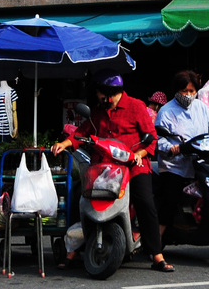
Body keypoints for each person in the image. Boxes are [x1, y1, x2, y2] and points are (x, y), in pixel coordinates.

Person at [52, 73, 173, 273]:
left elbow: (151, 138)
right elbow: (81, 134)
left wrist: (138, 154)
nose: (99, 99)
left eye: (100, 95)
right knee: (80, 197)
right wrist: (63, 144)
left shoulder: (136, 106)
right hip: (105, 167)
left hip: (134, 165)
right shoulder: (98, 112)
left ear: (109, 94)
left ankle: (156, 254)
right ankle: (72, 249)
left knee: (144, 201)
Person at [155, 70, 209, 245]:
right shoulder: (166, 111)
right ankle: (156, 242)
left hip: (200, 161)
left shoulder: (201, 107)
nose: (188, 95)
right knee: (170, 201)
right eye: (184, 91)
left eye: (191, 91)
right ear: (176, 91)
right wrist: (171, 148)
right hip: (175, 165)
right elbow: (158, 139)